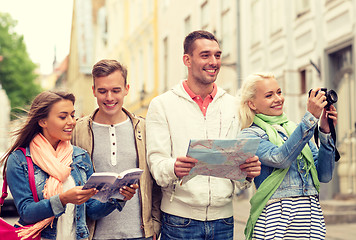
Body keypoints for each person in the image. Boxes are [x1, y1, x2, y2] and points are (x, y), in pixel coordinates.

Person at [145, 30, 261, 240]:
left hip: (224, 221)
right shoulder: (162, 105)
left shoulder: (234, 106)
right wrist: (174, 167)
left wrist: (248, 172)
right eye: (205, 55)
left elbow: (240, 175)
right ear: (187, 60)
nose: (214, 62)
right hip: (179, 221)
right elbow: (156, 163)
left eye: (217, 55)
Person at [0, 91, 137, 240]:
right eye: (62, 117)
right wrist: (63, 199)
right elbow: (26, 213)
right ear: (42, 121)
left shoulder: (80, 156)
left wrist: (118, 197)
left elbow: (91, 211)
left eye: (72, 115)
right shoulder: (19, 160)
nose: (71, 121)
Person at [237, 73, 337, 240]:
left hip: (310, 217)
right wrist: (311, 118)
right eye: (269, 95)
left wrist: (326, 132)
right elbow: (279, 158)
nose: (278, 99)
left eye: (279, 92)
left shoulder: (297, 130)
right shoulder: (249, 135)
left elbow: (324, 175)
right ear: (252, 104)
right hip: (276, 219)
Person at [71, 59, 161, 240]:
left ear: (127, 89)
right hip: (94, 235)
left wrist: (155, 225)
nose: (109, 97)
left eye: (116, 90)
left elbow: (156, 184)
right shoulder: (77, 130)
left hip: (140, 234)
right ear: (94, 91)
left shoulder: (143, 128)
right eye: (102, 91)